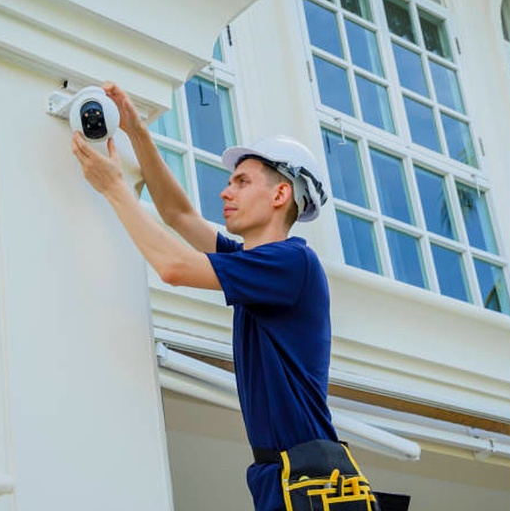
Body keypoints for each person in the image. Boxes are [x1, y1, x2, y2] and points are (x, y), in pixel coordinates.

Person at [71, 82, 372, 511]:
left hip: (305, 479)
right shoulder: (257, 263)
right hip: (286, 473)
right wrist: (136, 130)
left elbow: (173, 267)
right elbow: (179, 215)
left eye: (241, 181)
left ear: (280, 194)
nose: (225, 192)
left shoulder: (290, 264)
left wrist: (115, 189)